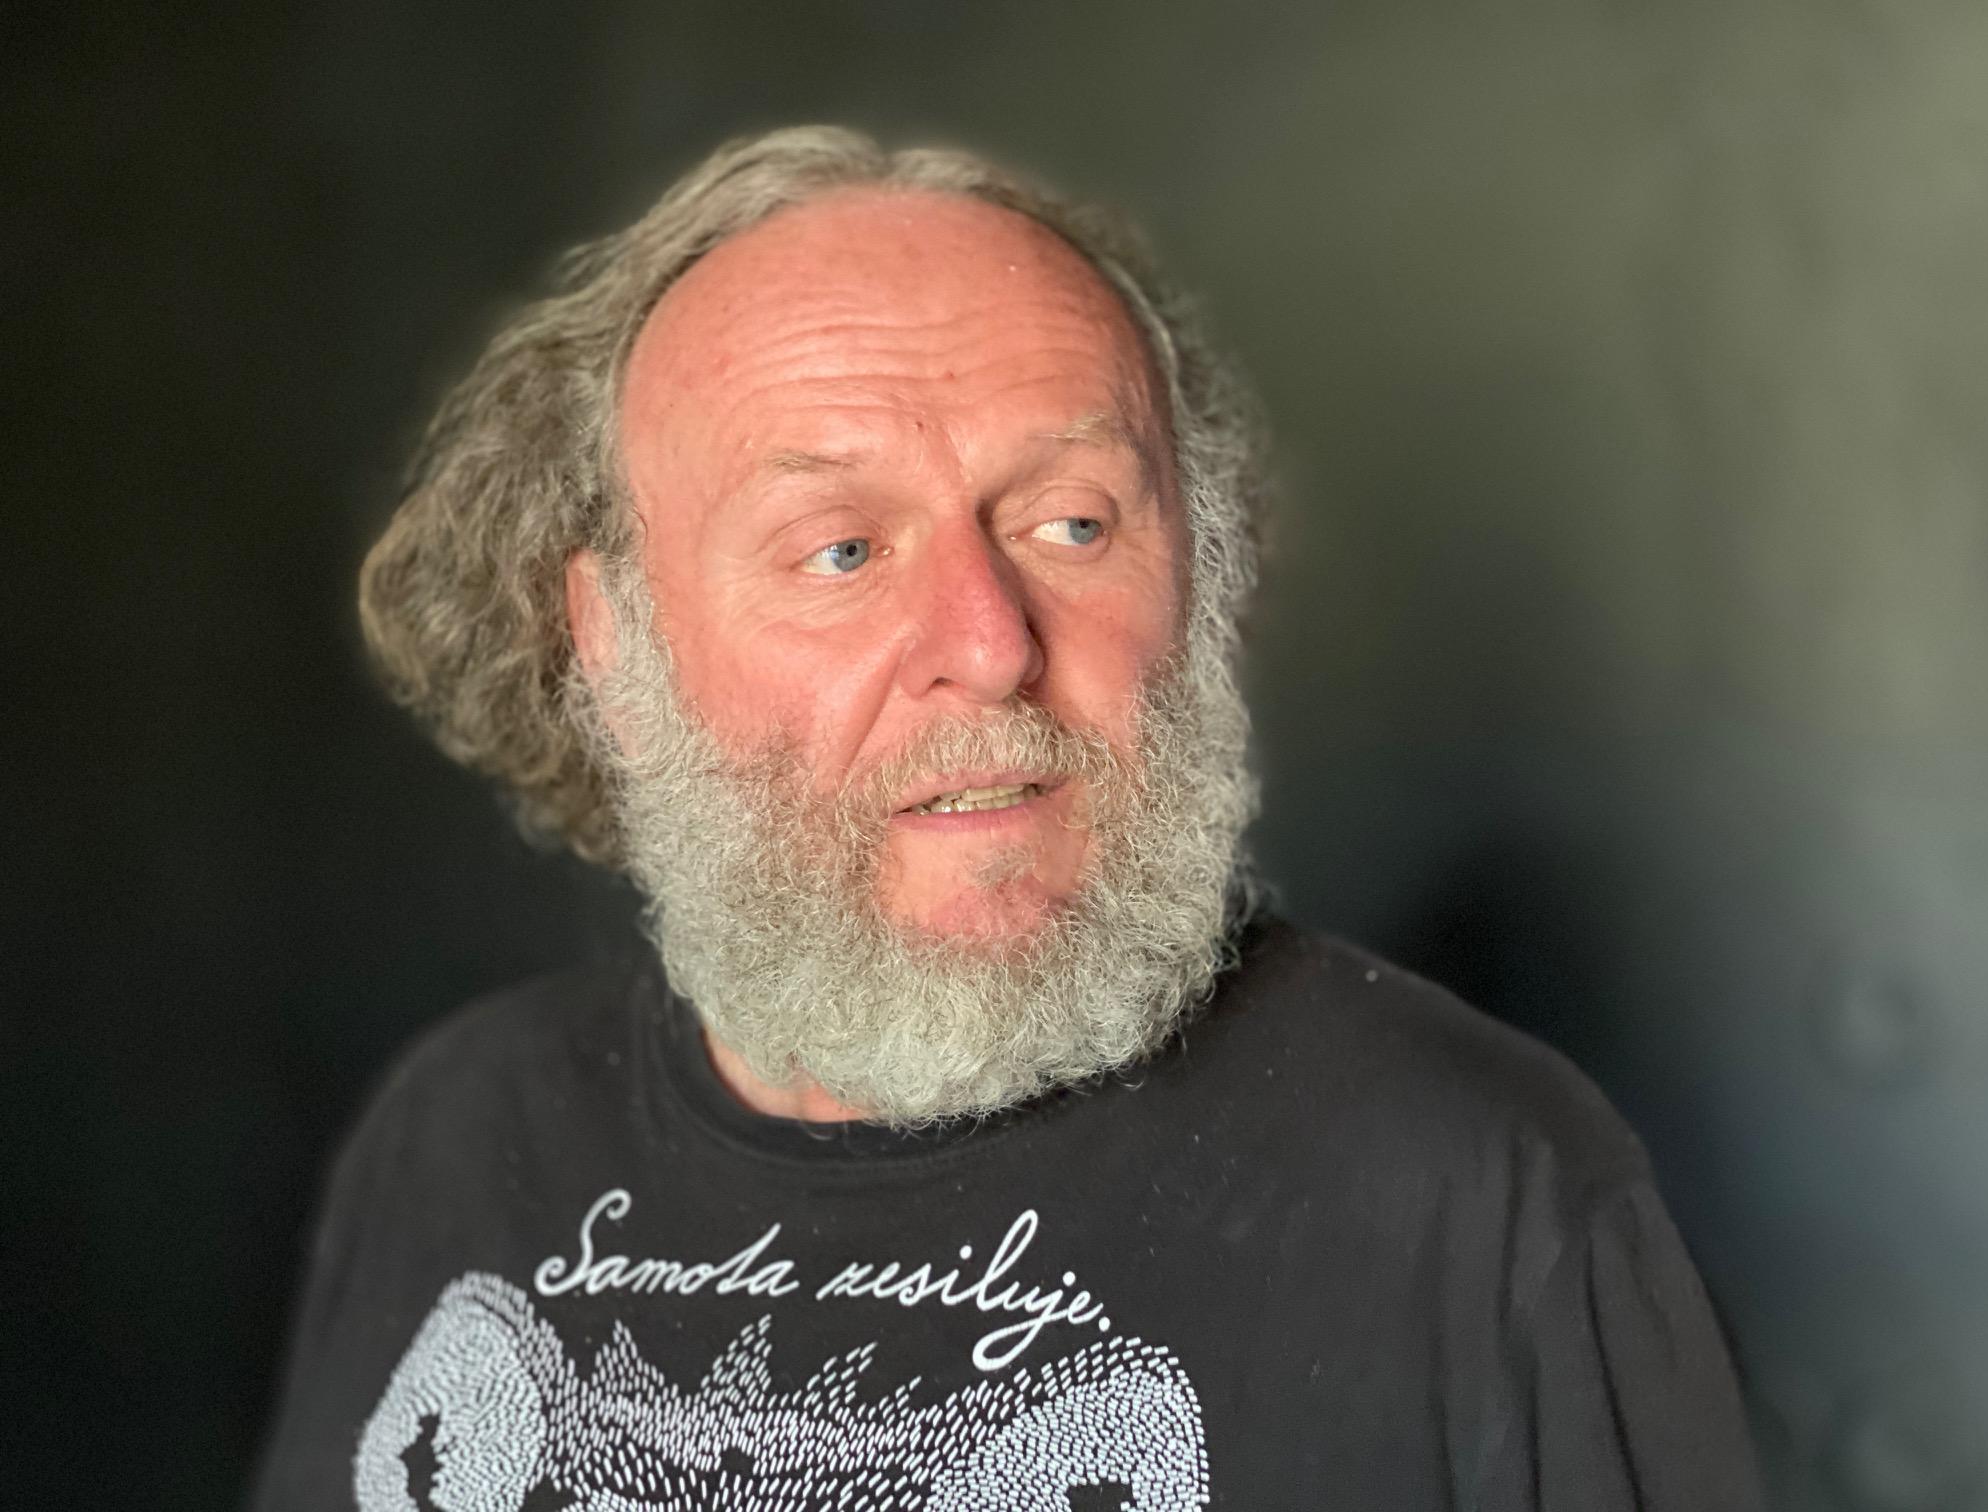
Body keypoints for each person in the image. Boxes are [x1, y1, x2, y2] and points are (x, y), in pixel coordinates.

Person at [251, 126, 1763, 1510]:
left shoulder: (1486, 1197)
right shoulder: (457, 1139)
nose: (987, 642)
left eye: (1073, 522)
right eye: (841, 550)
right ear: (610, 647)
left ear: (1202, 573)